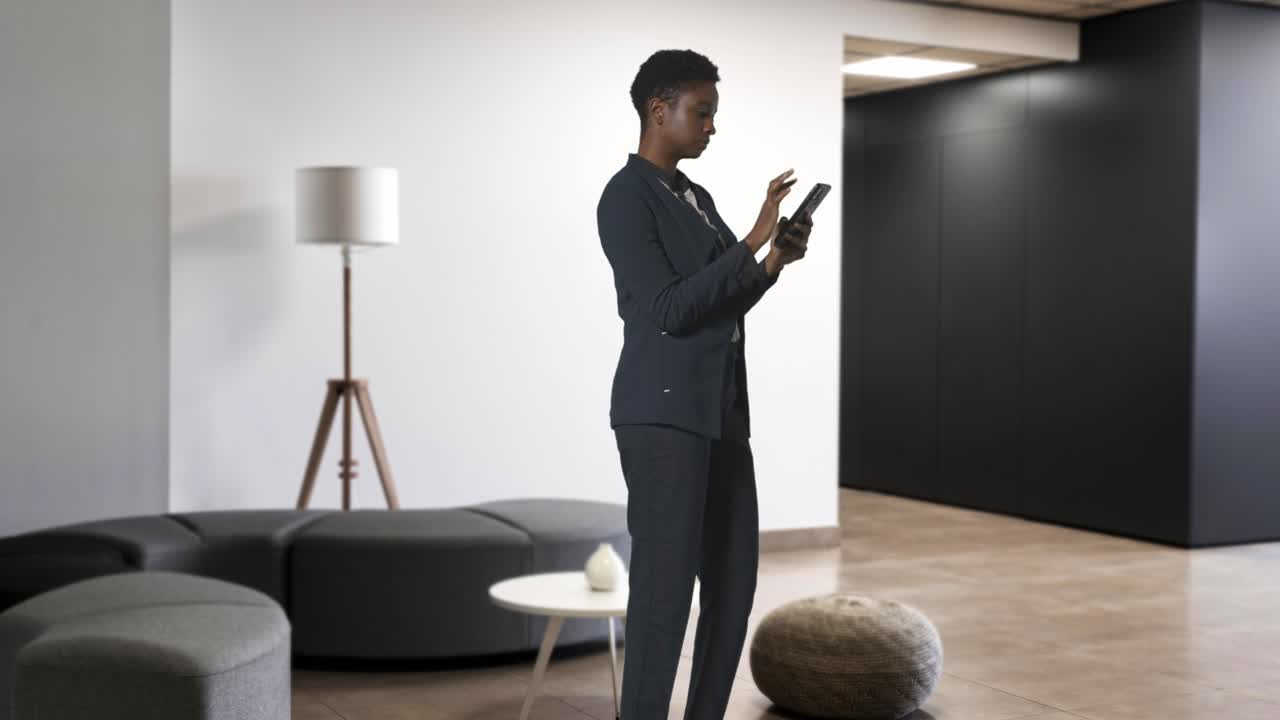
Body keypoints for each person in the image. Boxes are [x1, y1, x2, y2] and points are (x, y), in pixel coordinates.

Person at [596, 49, 814, 720]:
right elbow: (668, 309)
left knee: (733, 581)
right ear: (659, 111)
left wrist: (773, 259)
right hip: (661, 417)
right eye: (703, 112)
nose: (712, 126)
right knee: (663, 594)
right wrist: (749, 241)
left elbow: (720, 301)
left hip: (720, 413)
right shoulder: (625, 197)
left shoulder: (695, 197)